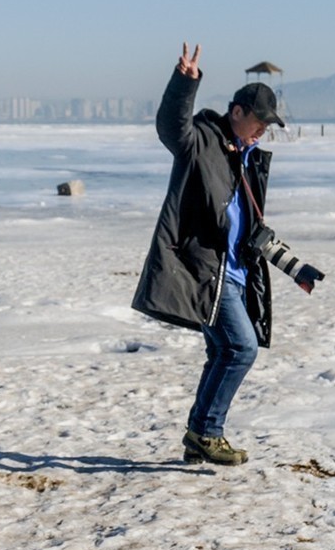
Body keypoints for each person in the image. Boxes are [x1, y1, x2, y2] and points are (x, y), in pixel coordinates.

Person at [132, 43, 324, 466]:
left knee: (223, 352)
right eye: (259, 122)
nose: (262, 131)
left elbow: (253, 231)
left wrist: (297, 270)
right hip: (206, 275)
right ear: (237, 111)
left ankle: (198, 434)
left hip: (234, 276)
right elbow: (171, 127)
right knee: (242, 349)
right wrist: (185, 83)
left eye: (268, 127)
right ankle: (207, 432)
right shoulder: (200, 142)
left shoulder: (248, 162)